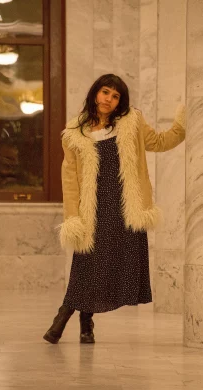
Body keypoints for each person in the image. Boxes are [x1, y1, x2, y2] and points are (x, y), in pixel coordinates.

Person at [43, 73, 185, 345]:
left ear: (121, 101)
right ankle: (72, 319)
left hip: (124, 207)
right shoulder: (74, 133)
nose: (109, 99)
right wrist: (72, 216)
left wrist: (183, 123)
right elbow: (70, 179)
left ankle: (80, 323)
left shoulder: (131, 123)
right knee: (87, 264)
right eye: (105, 92)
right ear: (95, 92)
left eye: (115, 95)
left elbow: (159, 142)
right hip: (92, 210)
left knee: (99, 266)